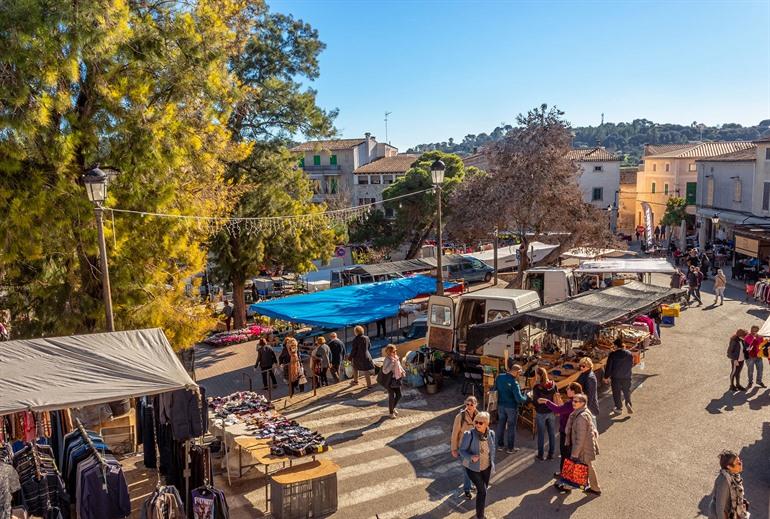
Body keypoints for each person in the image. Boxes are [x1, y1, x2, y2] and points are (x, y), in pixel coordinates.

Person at [559, 394, 601, 495]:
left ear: (582, 403)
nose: (573, 403)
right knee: (588, 467)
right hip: (586, 447)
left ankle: (568, 486)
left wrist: (575, 453)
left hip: (583, 448)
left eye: (576, 401)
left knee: (576, 465)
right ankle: (595, 488)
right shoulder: (582, 412)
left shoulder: (581, 417)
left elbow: (580, 439)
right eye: (573, 401)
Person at [539, 382, 583, 478]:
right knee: (570, 454)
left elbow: (558, 410)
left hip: (567, 431)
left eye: (568, 388)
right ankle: (567, 474)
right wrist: (559, 401)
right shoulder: (580, 400)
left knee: (565, 454)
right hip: (574, 431)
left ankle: (565, 475)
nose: (566, 390)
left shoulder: (572, 403)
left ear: (573, 391)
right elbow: (563, 409)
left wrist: (546, 401)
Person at [458, 412, 496, 519]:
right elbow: (462, 450)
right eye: (476, 422)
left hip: (486, 468)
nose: (477, 424)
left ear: (487, 423)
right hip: (473, 468)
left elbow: (492, 450)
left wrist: (492, 462)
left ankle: (480, 511)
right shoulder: (469, 435)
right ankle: (480, 516)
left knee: (483, 491)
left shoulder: (491, 434)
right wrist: (471, 457)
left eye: (480, 423)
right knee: (482, 491)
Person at [494, 363, 529, 453]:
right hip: (511, 408)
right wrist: (526, 397)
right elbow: (519, 399)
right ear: (517, 372)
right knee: (511, 427)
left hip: (501, 406)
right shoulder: (514, 383)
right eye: (519, 373)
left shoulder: (499, 377)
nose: (519, 375)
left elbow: (494, 389)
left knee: (501, 425)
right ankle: (510, 448)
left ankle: (500, 446)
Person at [451, 396, 479, 500]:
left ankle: (473, 485)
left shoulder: (479, 416)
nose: (469, 406)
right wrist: (454, 448)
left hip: (475, 447)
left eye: (471, 404)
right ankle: (467, 489)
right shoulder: (460, 417)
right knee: (467, 469)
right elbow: (454, 433)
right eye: (467, 404)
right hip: (464, 448)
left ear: (476, 405)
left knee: (475, 468)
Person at [709, 450, 749, 519]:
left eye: (740, 461)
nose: (741, 463)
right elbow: (720, 508)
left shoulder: (734, 475)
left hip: (732, 512)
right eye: (737, 463)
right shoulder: (723, 482)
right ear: (729, 467)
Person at [603, 337, 634, 415]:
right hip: (627, 376)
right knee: (626, 391)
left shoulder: (612, 355)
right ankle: (628, 403)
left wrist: (606, 376)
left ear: (616, 346)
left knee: (616, 393)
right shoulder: (629, 353)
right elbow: (631, 364)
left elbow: (609, 367)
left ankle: (619, 408)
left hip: (616, 377)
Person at [532, 367, 557, 461]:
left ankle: (541, 455)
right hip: (551, 411)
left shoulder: (537, 387)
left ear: (538, 375)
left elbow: (536, 401)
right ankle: (551, 454)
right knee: (551, 433)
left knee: (541, 434)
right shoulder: (553, 384)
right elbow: (556, 396)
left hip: (541, 412)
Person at [381, 345, 405, 418]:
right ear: (389, 352)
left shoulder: (396, 357)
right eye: (393, 351)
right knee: (391, 395)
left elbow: (399, 365)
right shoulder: (387, 360)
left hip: (396, 379)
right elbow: (384, 371)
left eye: (395, 351)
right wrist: (392, 364)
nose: (395, 352)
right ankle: (391, 413)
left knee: (399, 395)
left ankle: (392, 408)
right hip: (390, 380)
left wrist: (403, 371)